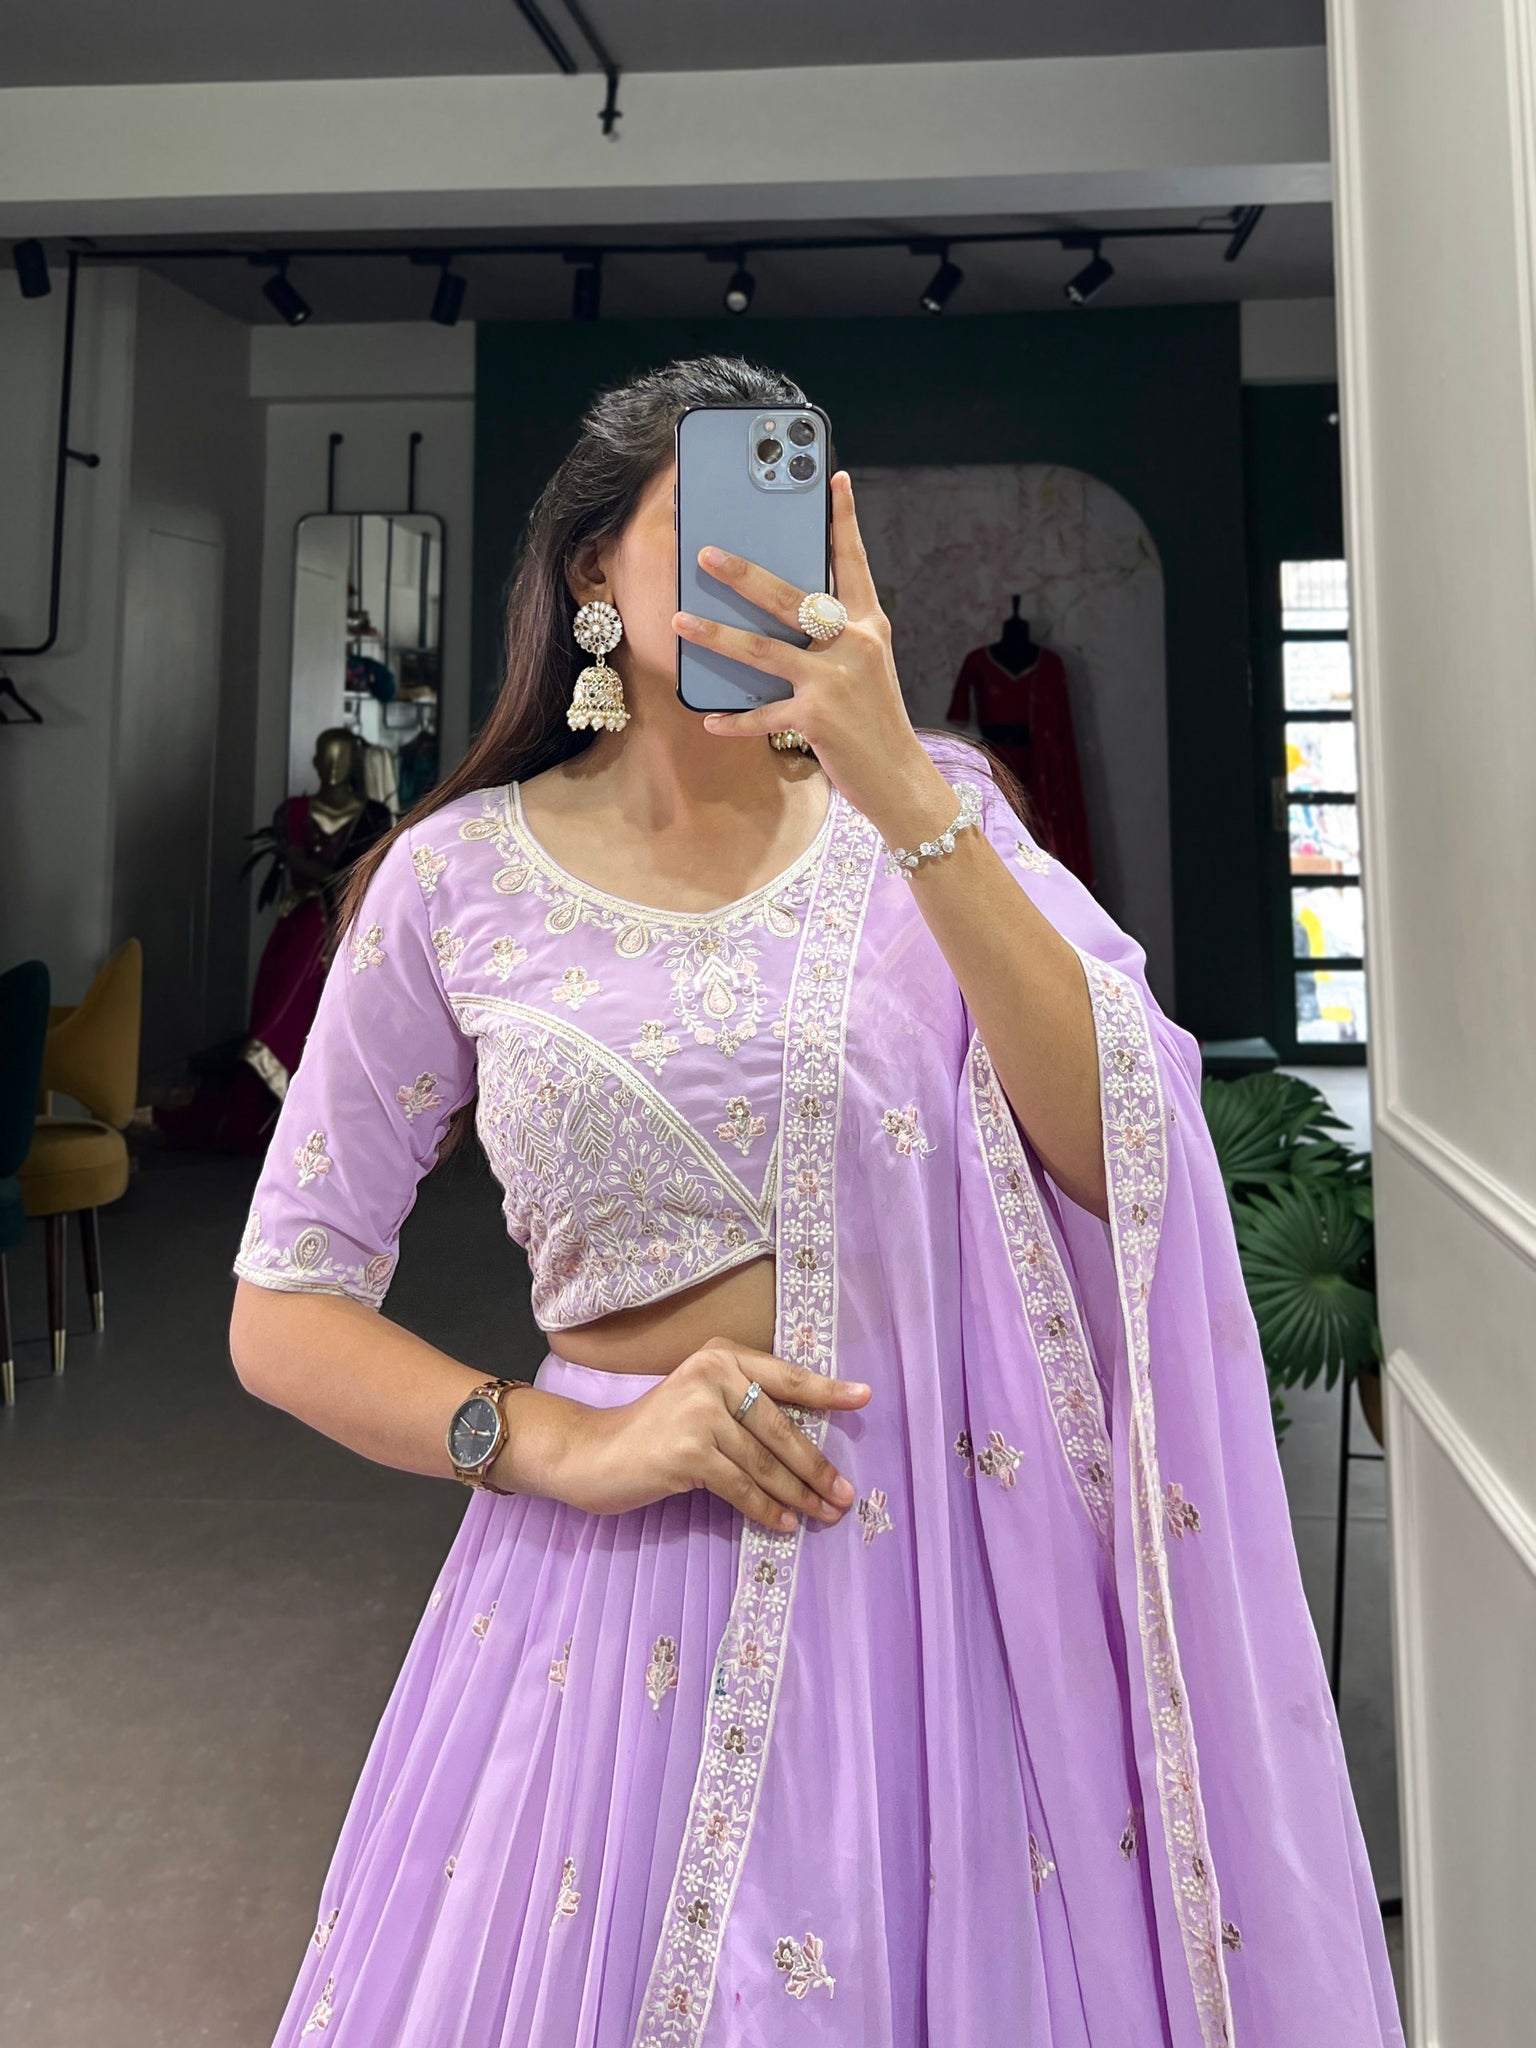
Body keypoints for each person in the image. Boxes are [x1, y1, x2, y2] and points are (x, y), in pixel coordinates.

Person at [228, 357, 1405, 2048]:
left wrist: (903, 785)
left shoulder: (935, 817)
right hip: (612, 1593)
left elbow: (1123, 1153)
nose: (753, 576)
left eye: (788, 531)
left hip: (945, 1600)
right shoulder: (455, 879)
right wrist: (548, 1441)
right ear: (590, 572)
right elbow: (285, 1304)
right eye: (704, 528)